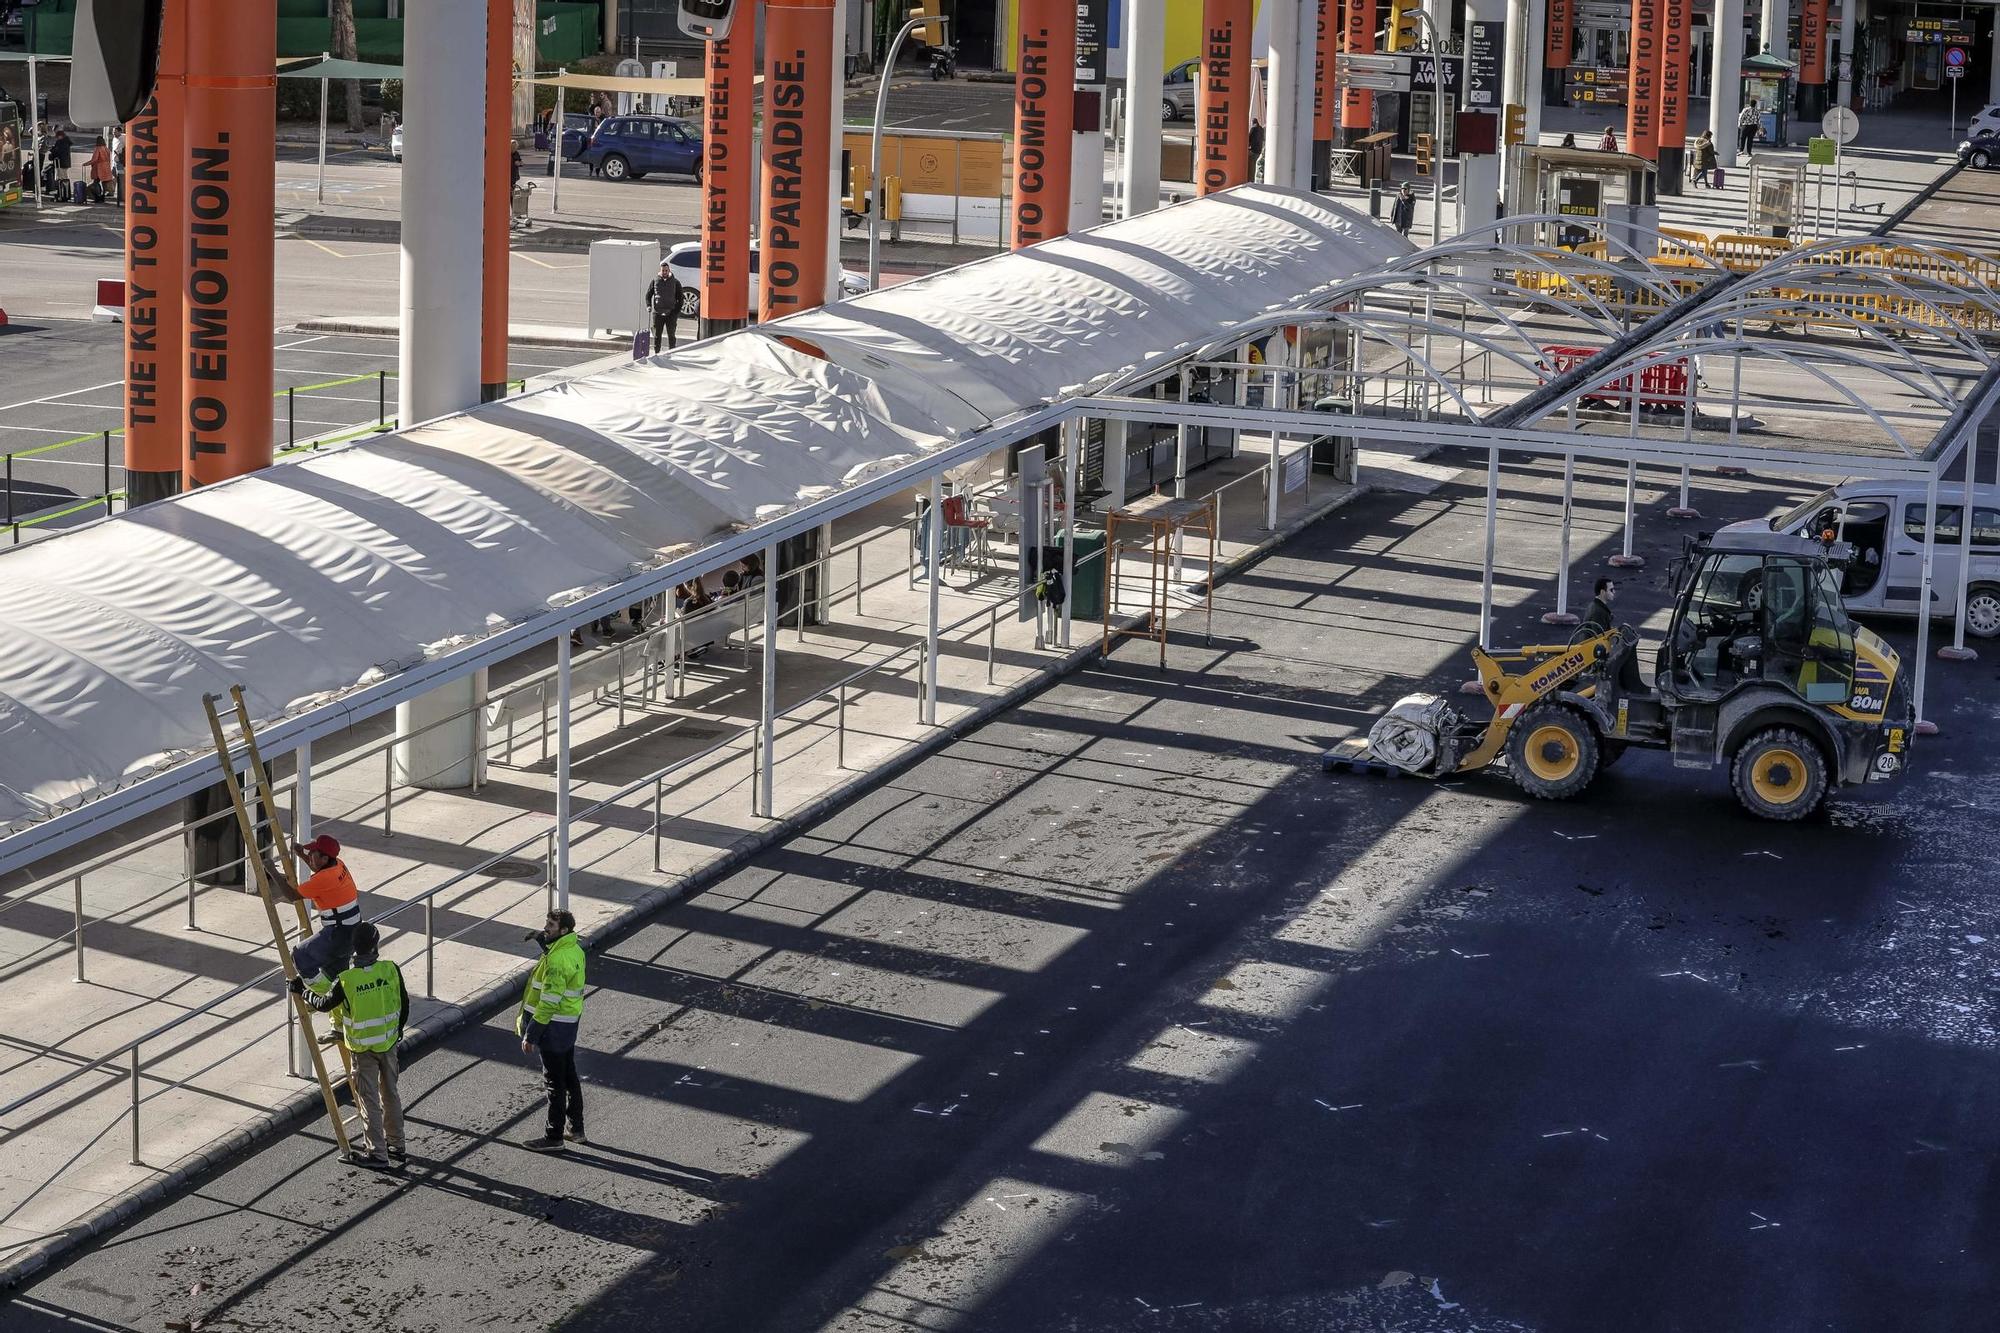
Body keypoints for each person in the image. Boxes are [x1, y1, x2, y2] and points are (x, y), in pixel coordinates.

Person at [294, 921, 407, 1169]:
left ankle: (377, 1154)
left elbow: (323, 1004)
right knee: (390, 1094)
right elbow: (405, 1004)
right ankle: (397, 1145)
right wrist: (396, 1033)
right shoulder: (391, 969)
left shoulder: (347, 980)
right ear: (376, 946)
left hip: (362, 1050)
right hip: (388, 1045)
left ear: (354, 948)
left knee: (368, 1101)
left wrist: (302, 990)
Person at [518, 909, 587, 1151]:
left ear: (564, 931)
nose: (546, 927)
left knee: (554, 1084)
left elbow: (548, 1001)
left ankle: (553, 1136)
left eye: (550, 925)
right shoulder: (573, 948)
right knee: (569, 1076)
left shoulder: (557, 961)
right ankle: (576, 1129)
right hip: (568, 1025)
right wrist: (542, 940)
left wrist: (531, 1034)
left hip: (552, 1028)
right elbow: (557, 957)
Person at [276, 834, 364, 999]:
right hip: (353, 930)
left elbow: (292, 896)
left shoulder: (324, 879)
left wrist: (273, 872)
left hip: (338, 934)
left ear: (324, 858)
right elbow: (318, 869)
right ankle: (339, 1005)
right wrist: (301, 854)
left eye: (313, 853)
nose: (310, 855)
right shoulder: (338, 864)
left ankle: (322, 996)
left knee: (300, 955)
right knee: (338, 977)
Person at [644, 258, 683, 353]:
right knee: (657, 335)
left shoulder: (675, 282)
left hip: (671, 313)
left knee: (671, 335)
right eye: (663, 270)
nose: (664, 272)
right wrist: (648, 305)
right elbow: (648, 295)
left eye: (666, 270)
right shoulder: (655, 281)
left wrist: (676, 312)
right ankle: (656, 353)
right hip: (657, 313)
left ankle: (671, 352)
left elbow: (681, 298)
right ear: (660, 271)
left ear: (669, 270)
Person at [88, 135, 112, 204]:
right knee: (104, 184)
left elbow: (94, 159)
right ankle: (102, 198)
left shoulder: (98, 148)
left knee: (95, 183)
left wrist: (86, 163)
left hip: (99, 168)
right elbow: (109, 159)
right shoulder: (106, 149)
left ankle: (97, 197)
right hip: (106, 168)